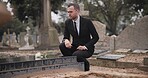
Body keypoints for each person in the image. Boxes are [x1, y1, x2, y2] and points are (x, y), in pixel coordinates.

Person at [59, 3, 99, 71]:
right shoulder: (68, 22)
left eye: (71, 12)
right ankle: (73, 64)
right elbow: (66, 37)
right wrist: (66, 41)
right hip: (75, 47)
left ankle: (86, 65)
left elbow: (96, 37)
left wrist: (85, 46)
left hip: (87, 48)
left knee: (76, 54)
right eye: (68, 12)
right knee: (62, 46)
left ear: (77, 11)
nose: (69, 14)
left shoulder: (87, 22)